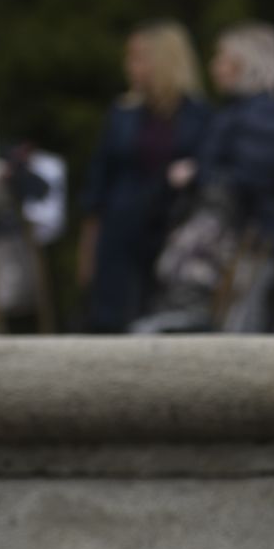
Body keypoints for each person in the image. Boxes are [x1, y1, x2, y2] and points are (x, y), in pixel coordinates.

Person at [143, 22, 274, 333]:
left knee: (237, 329)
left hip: (245, 240)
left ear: (243, 63)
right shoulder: (246, 111)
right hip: (240, 237)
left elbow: (257, 177)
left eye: (221, 57)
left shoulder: (263, 114)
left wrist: (198, 174)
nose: (214, 66)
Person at [79, 21, 211, 332]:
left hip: (170, 236)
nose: (130, 66)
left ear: (163, 62)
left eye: (138, 58)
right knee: (111, 322)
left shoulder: (199, 118)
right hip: (119, 235)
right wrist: (87, 251)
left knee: (161, 325)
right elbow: (98, 184)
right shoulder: (122, 114)